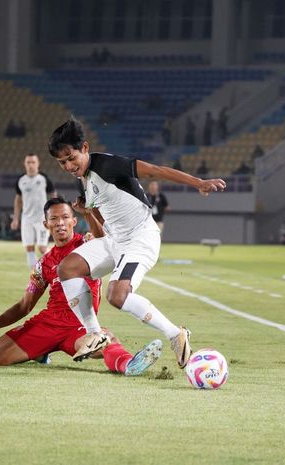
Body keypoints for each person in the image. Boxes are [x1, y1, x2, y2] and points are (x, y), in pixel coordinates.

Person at [47, 117, 226, 368]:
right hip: (115, 240)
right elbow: (102, 229)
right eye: (62, 162)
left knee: (117, 295)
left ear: (85, 148)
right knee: (66, 269)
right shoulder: (84, 177)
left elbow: (156, 171)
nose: (67, 165)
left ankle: (176, 334)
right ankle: (95, 334)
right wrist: (87, 213)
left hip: (140, 238)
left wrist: (199, 183)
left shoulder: (108, 165)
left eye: (71, 158)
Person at [0, 197, 162, 376]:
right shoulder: (43, 264)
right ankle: (41, 352)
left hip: (78, 326)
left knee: (102, 341)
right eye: (54, 219)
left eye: (65, 217)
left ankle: (129, 364)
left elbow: (104, 240)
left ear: (73, 221)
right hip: (47, 324)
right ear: (46, 224)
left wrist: (88, 212)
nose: (60, 222)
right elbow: (24, 306)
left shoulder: (88, 244)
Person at [11, 153, 56, 268]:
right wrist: (16, 218)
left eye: (33, 162)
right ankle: (36, 276)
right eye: (28, 162)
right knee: (29, 248)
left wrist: (55, 213)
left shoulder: (43, 178)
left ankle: (58, 262)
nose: (31, 165)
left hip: (42, 219)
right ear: (25, 164)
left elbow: (53, 194)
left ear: (38, 164)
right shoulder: (21, 180)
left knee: (42, 248)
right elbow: (18, 200)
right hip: (27, 219)